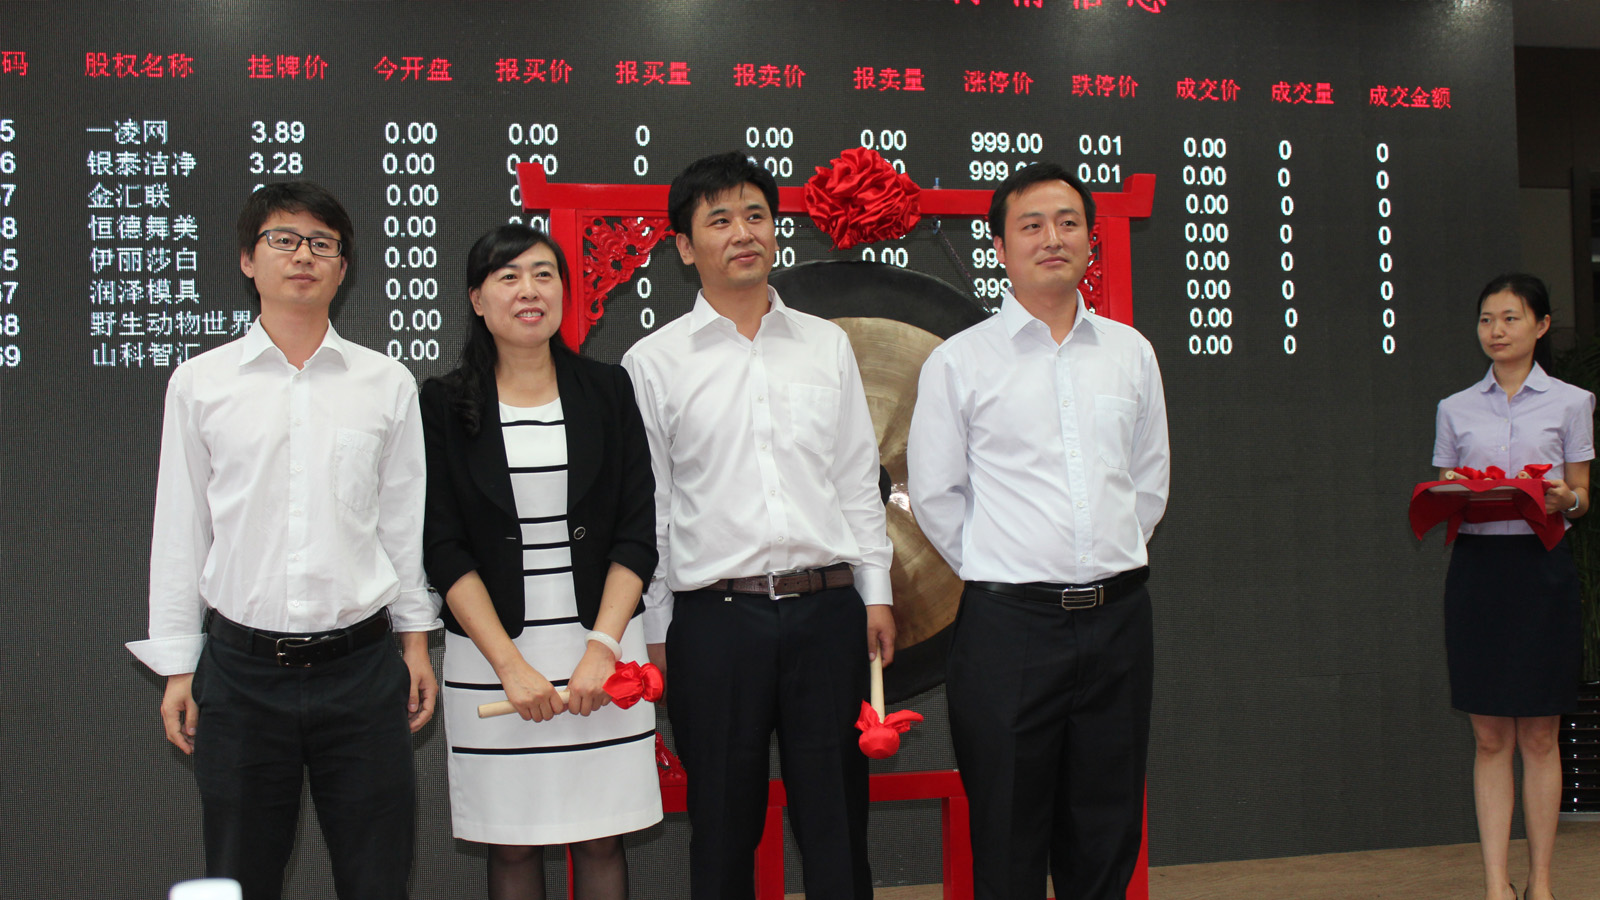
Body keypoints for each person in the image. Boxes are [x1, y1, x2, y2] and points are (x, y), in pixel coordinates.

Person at [127, 181, 438, 900]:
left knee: (378, 878)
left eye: (322, 244)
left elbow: (402, 524)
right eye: (284, 240)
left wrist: (416, 644)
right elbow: (181, 529)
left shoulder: (385, 382)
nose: (304, 256)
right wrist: (179, 667)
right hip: (240, 676)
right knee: (239, 878)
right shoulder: (200, 383)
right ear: (248, 259)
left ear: (343, 267)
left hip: (362, 671)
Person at [621, 151, 895, 900]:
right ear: (685, 246)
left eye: (756, 216)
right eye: (719, 220)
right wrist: (656, 630)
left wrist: (876, 594)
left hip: (828, 611)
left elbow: (856, 480)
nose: (743, 233)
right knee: (721, 826)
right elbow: (653, 509)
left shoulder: (826, 345)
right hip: (716, 623)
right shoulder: (653, 362)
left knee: (837, 823)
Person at [907, 163, 1169, 900]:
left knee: (1106, 832)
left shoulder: (1130, 352)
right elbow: (935, 494)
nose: (1052, 238)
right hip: (1009, 631)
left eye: (1068, 222)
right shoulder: (960, 361)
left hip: (1118, 623)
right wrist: (1007, 566)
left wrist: (1099, 561)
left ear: (1089, 239)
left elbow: (1147, 483)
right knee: (1007, 835)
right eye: (1031, 225)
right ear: (1000, 247)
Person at [421, 225, 661, 900]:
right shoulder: (443, 403)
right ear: (477, 300)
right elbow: (442, 546)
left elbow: (636, 532)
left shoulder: (607, 389)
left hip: (601, 652)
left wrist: (602, 648)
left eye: (543, 274)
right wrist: (510, 666)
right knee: (513, 846)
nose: (529, 290)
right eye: (508, 277)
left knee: (602, 838)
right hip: (492, 660)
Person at [1432, 273, 1591, 900]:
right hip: (1478, 572)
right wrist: (1452, 489)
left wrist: (1564, 498)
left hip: (1542, 569)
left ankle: (1541, 882)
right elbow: (1443, 487)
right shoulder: (1454, 407)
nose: (1495, 331)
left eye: (1510, 318)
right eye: (1486, 320)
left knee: (1541, 735)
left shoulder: (1572, 402)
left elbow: (1582, 497)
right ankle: (1496, 884)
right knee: (1490, 735)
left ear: (1541, 325)